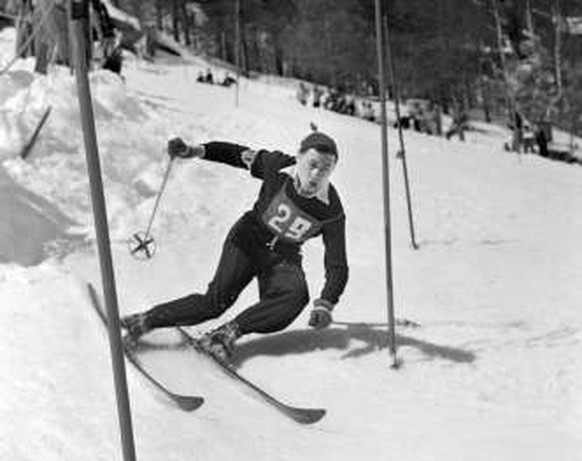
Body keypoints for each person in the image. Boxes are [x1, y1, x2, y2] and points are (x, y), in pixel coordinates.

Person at [121, 132, 349, 360]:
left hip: (283, 255)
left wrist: (326, 303)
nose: (316, 175)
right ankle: (143, 321)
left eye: (326, 169)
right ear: (299, 158)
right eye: (313, 165)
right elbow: (236, 154)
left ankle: (226, 334)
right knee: (214, 303)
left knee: (295, 296)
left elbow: (337, 263)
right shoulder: (276, 165)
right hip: (247, 239)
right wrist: (194, 150)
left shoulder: (331, 211)